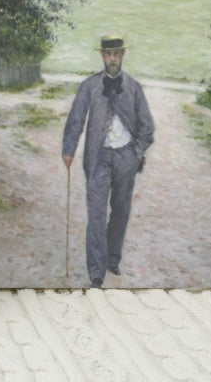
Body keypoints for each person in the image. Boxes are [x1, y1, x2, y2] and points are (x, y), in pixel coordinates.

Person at [62, 35, 155, 288]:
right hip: (98, 156)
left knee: (121, 211)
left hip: (126, 156)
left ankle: (112, 258)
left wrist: (137, 152)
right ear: (102, 56)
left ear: (122, 55)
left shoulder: (134, 87)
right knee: (95, 214)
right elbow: (76, 119)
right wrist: (68, 149)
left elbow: (148, 126)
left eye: (116, 54)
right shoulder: (89, 86)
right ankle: (96, 272)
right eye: (108, 54)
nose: (112, 59)